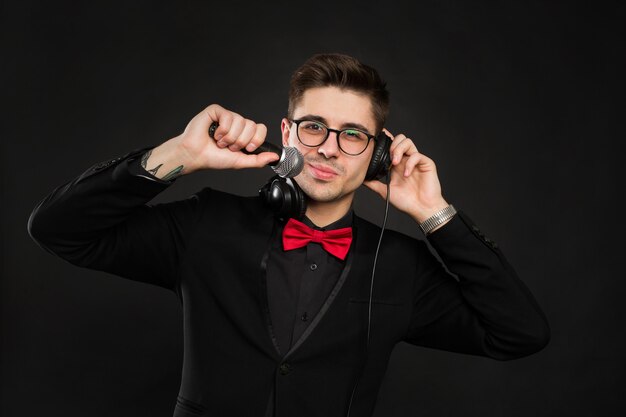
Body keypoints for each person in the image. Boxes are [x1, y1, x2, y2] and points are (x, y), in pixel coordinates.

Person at [28, 53, 549, 417]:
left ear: (378, 154)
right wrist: (179, 158)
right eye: (314, 126)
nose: (329, 148)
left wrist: (434, 213)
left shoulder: (400, 266)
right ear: (288, 133)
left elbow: (519, 333)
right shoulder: (206, 224)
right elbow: (60, 229)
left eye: (353, 135)